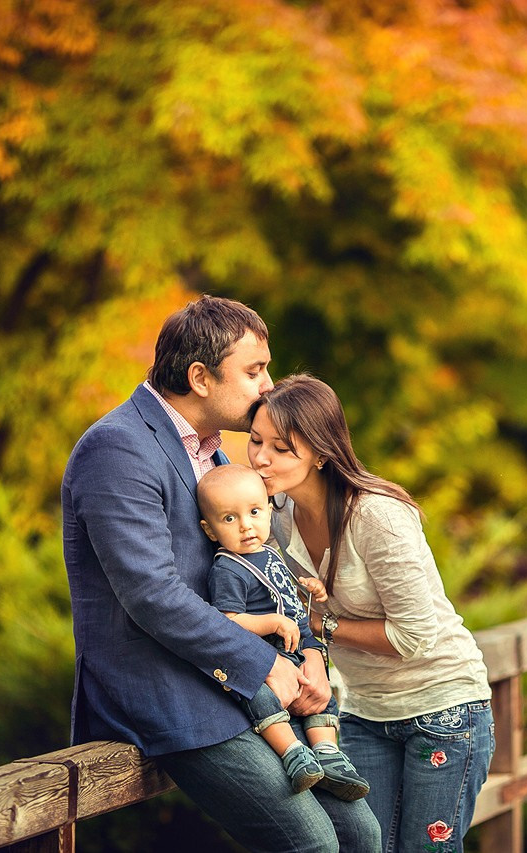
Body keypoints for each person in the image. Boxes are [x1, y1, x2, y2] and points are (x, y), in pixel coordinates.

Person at [61, 296, 380, 852]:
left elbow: (257, 570)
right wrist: (262, 665)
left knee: (360, 832)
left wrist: (305, 652)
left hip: (229, 680)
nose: (269, 385)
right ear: (200, 377)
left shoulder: (216, 454)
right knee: (312, 844)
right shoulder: (117, 448)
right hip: (161, 687)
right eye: (255, 370)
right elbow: (152, 595)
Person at [246, 374, 494, 852]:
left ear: (320, 452)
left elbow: (414, 635)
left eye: (281, 448)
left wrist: (317, 623)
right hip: (364, 711)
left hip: (443, 707)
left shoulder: (376, 515)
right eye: (256, 441)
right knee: (361, 844)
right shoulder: (271, 517)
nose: (260, 457)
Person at [197, 462, 370, 800]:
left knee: (323, 698)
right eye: (230, 519)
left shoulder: (269, 552)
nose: (247, 526)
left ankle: (328, 755)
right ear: (210, 530)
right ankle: (294, 754)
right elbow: (228, 620)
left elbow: (281, 595)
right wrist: (272, 624)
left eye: (255, 512)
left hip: (294, 647)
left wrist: (311, 591)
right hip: (265, 656)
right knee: (260, 699)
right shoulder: (228, 568)